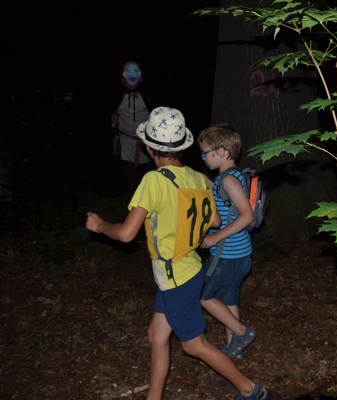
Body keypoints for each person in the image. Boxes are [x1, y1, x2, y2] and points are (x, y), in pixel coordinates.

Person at [85, 107, 269, 400]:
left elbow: (126, 234)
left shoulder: (154, 181)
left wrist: (99, 226)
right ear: (182, 145)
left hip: (175, 278)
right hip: (189, 268)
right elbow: (215, 220)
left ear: (149, 148)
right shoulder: (195, 177)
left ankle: (250, 389)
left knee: (194, 345)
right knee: (156, 336)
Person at [198, 123, 256, 359]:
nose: (203, 158)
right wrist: (207, 182)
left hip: (228, 254)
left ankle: (241, 333)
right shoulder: (232, 176)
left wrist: (214, 237)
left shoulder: (228, 180)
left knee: (203, 295)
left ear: (221, 152)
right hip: (239, 253)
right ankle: (234, 348)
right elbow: (226, 198)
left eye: (205, 153)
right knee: (229, 298)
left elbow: (246, 216)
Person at [110, 61, 163, 195]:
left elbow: (158, 114)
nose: (132, 74)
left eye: (135, 71)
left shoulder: (149, 94)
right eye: (128, 71)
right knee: (130, 177)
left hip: (146, 143)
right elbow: (107, 115)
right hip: (126, 142)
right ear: (123, 77)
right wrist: (112, 120)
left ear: (141, 77)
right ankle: (134, 199)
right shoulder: (115, 95)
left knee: (151, 175)